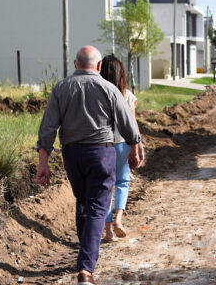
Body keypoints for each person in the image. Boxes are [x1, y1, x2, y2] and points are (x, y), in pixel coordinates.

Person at [36, 46, 142, 285]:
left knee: (83, 202)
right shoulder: (109, 88)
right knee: (96, 207)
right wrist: (134, 150)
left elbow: (47, 128)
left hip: (72, 154)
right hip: (101, 154)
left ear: (75, 64)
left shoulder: (61, 88)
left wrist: (43, 163)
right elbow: (128, 124)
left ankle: (86, 255)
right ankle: (85, 270)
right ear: (98, 66)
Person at [99, 55, 142, 242]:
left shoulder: (98, 93)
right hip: (123, 144)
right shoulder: (127, 96)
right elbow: (133, 124)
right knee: (123, 183)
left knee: (106, 187)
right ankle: (118, 220)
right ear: (121, 74)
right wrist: (138, 147)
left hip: (103, 145)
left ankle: (108, 231)